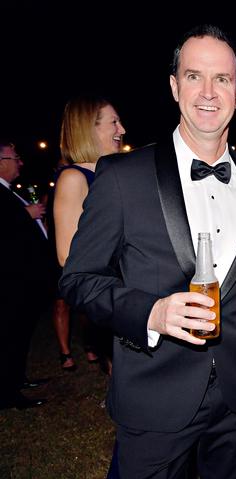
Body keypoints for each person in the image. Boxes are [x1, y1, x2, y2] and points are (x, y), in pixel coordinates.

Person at [60, 24, 236, 479]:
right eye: (193, 76)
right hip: (154, 392)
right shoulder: (122, 177)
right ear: (173, 85)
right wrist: (152, 312)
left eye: (222, 79)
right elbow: (78, 279)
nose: (208, 92)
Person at [51, 95, 126, 371]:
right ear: (89, 129)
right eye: (114, 122)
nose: (122, 130)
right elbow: (66, 255)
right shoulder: (74, 178)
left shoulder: (115, 173)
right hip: (112, 292)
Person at [0, 141, 53, 410]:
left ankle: (16, 379)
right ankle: (7, 392)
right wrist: (25, 215)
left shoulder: (10, 192)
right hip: (10, 282)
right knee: (10, 335)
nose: (19, 162)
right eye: (14, 157)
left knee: (19, 335)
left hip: (22, 281)